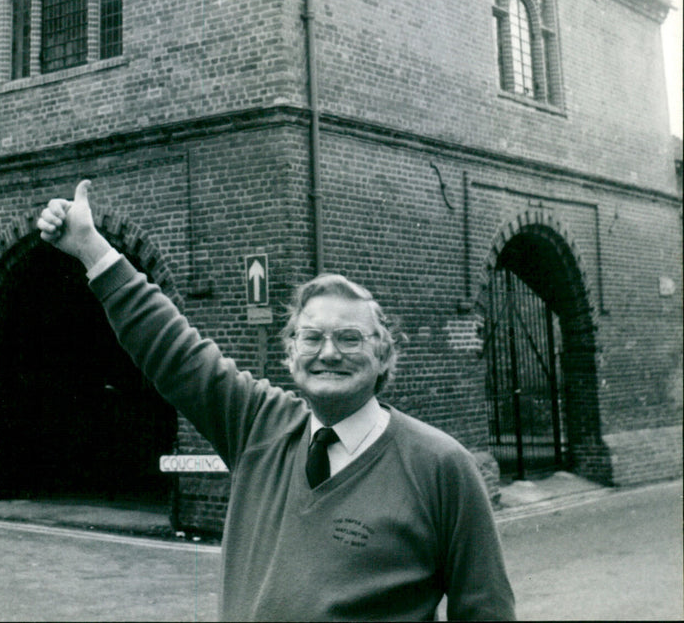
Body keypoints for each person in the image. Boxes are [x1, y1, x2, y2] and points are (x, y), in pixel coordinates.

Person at [38, 180, 516, 622]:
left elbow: (486, 609)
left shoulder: (441, 466)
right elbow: (175, 352)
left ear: (383, 352)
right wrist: (91, 248)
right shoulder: (257, 425)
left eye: (350, 338)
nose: (328, 353)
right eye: (312, 338)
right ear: (290, 354)